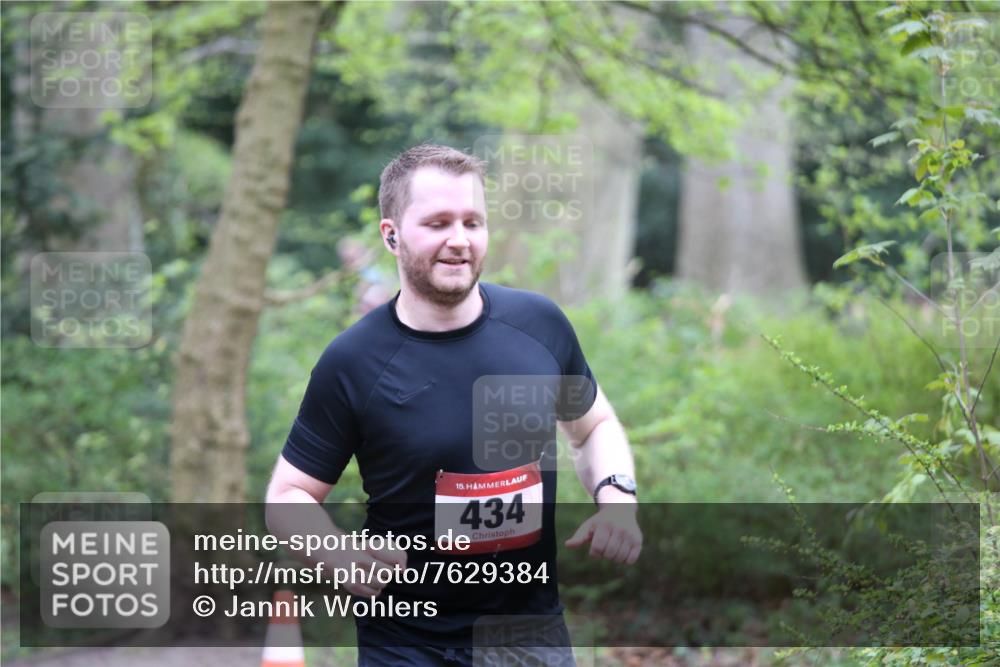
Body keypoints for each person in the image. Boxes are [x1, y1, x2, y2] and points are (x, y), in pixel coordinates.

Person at [266, 144, 642, 666]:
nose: (460, 240)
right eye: (438, 223)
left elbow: (595, 425)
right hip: (408, 645)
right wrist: (339, 555)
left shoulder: (539, 326)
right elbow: (287, 495)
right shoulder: (354, 361)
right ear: (391, 235)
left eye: (473, 222)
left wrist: (618, 499)